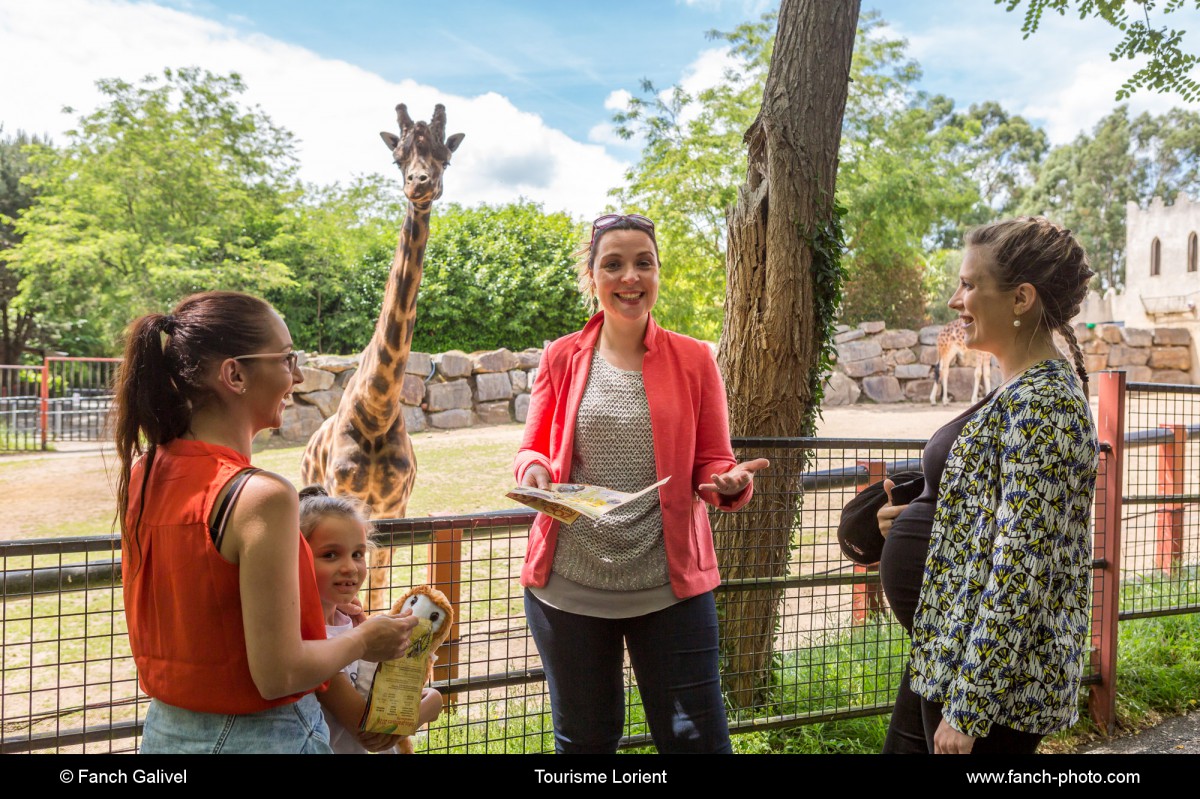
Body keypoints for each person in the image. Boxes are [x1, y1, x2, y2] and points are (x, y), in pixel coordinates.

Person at [114, 291, 418, 754]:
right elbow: (279, 674)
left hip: (166, 734)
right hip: (262, 737)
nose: (296, 376)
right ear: (234, 374)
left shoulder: (146, 471)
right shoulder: (262, 496)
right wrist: (362, 640)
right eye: (286, 359)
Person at [514, 213, 768, 754]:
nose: (630, 276)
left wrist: (722, 481)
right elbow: (533, 448)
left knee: (697, 743)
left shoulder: (695, 358)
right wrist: (534, 471)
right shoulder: (561, 355)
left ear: (657, 273)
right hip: (568, 588)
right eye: (613, 264)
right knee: (584, 745)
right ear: (592, 277)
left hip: (668, 589)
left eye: (642, 263)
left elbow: (713, 459)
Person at [877, 217, 1099, 754]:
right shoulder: (1020, 391)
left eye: (969, 284)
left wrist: (970, 707)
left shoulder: (1046, 405)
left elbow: (1023, 569)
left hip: (991, 694)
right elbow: (991, 514)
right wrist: (919, 518)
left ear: (1021, 298)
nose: (956, 300)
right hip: (946, 654)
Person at [298, 486, 443, 754]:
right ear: (296, 558)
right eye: (330, 555)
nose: (350, 567)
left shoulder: (351, 621)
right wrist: (431, 704)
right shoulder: (311, 640)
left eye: (357, 554)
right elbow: (371, 732)